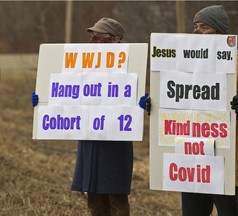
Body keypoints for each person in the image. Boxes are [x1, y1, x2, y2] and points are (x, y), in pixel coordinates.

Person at [32, 17, 151, 216]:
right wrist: (44, 100)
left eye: (100, 38)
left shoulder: (131, 64)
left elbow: (143, 100)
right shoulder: (84, 64)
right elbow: (68, 92)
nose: (94, 43)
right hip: (89, 142)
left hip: (115, 143)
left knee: (116, 199)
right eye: (93, 38)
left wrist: (144, 103)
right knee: (93, 199)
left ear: (116, 41)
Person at [181, 5, 238, 216]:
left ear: (220, 31)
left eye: (204, 27)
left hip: (224, 157)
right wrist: (154, 105)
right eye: (195, 27)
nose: (197, 32)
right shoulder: (185, 59)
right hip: (191, 155)